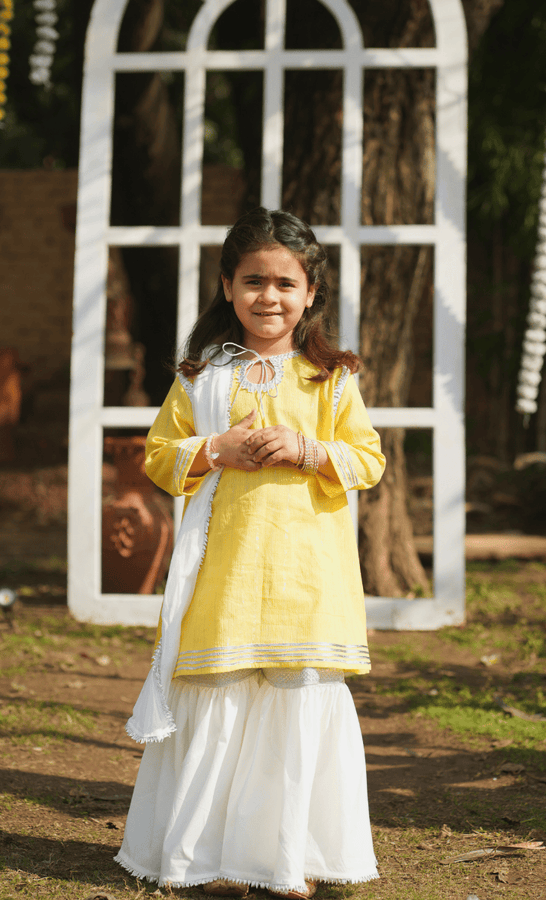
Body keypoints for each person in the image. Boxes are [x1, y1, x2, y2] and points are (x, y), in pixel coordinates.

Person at [115, 207, 386, 899]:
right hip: (224, 575)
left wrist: (307, 449)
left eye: (285, 283)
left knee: (295, 710)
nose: (270, 296)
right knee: (222, 700)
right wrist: (215, 449)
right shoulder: (201, 376)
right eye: (253, 281)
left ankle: (285, 863)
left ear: (310, 293)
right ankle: (205, 859)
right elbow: (156, 455)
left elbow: (368, 459)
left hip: (308, 579)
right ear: (227, 287)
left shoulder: (332, 379)